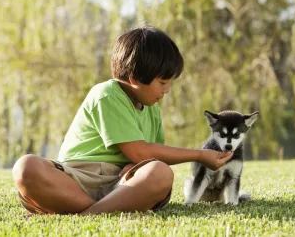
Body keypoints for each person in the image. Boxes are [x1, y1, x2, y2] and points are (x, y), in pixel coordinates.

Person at [12, 25, 233, 215]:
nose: (167, 90)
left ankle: (86, 214)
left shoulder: (152, 108)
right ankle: (101, 211)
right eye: (163, 82)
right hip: (77, 181)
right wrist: (199, 155)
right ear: (135, 79)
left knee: (160, 173)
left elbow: (150, 158)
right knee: (26, 167)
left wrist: (138, 165)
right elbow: (139, 151)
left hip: (122, 184)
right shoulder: (107, 94)